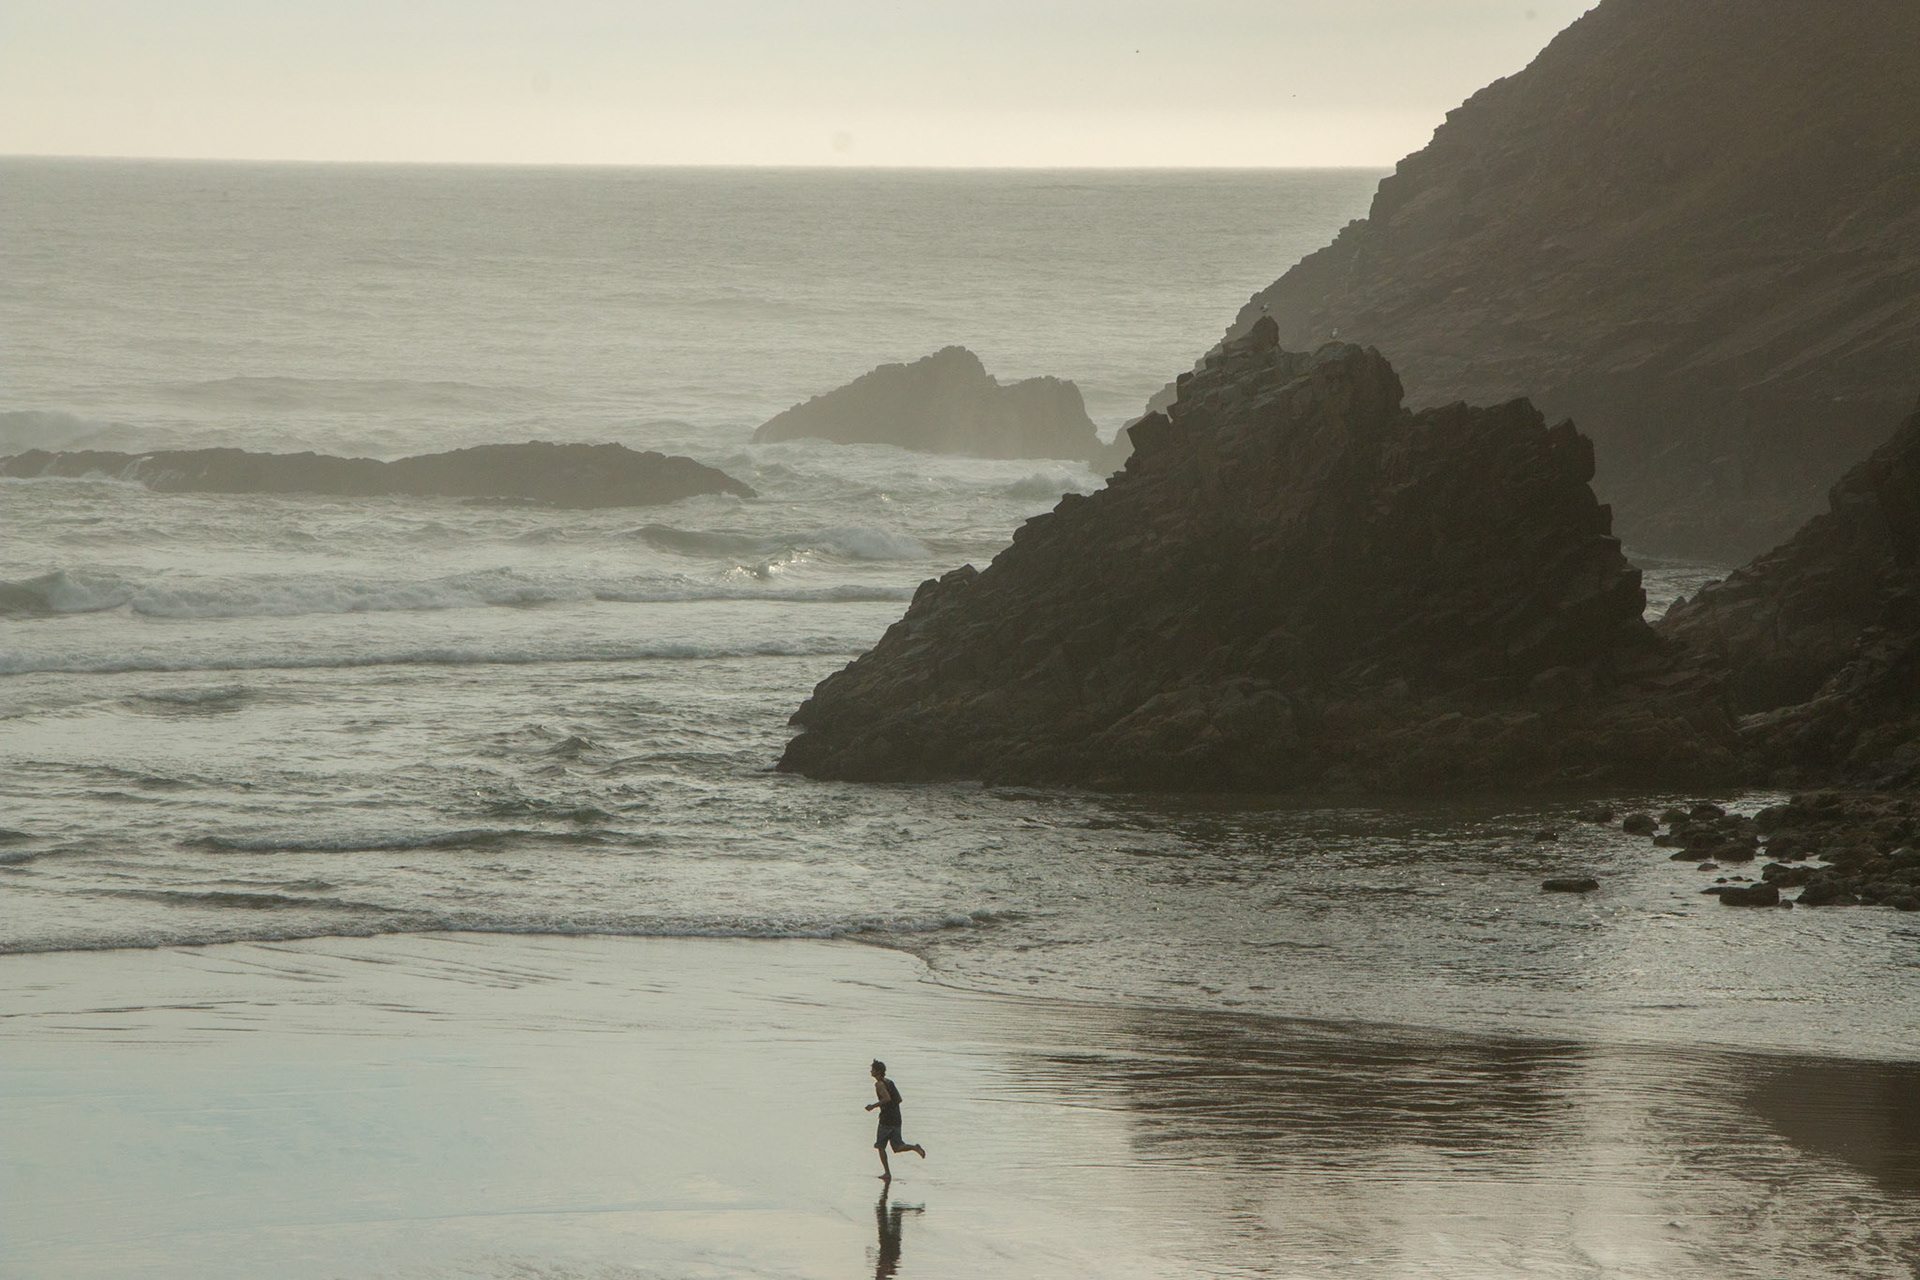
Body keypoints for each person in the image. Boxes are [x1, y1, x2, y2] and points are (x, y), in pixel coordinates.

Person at [864, 1059, 925, 1179]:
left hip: (886, 1119)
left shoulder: (879, 1084)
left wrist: (873, 1106)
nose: (871, 1071)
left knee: (881, 1146)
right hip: (897, 1117)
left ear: (877, 1072)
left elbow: (886, 1099)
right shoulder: (890, 1082)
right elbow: (899, 1100)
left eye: (872, 1069)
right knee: (897, 1147)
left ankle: (887, 1173)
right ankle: (914, 1147)